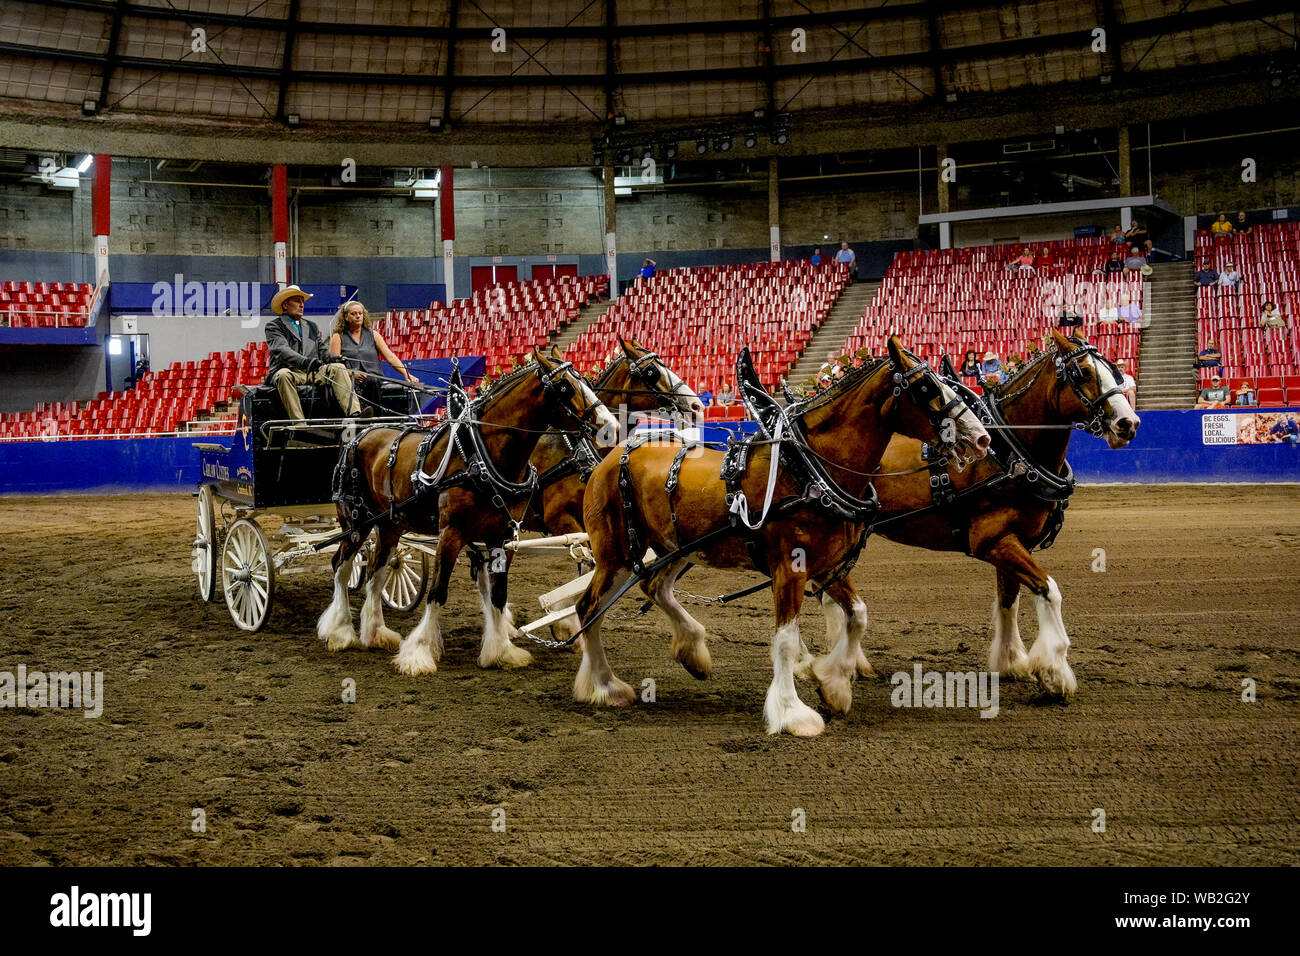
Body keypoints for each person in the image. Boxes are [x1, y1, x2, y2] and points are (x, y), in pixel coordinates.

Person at [265, 284, 363, 421]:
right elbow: (282, 350)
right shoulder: (274, 326)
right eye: (297, 301)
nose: (301, 305)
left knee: (339, 368)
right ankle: (299, 423)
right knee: (283, 375)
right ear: (286, 305)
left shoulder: (311, 326)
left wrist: (335, 358)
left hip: (311, 372)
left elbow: (322, 351)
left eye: (302, 302)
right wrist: (304, 361)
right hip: (290, 371)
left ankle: (355, 414)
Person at [328, 299, 416, 414]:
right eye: (353, 314)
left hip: (374, 378)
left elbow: (391, 357)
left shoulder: (374, 335)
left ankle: (373, 415)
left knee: (372, 381)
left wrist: (406, 374)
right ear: (346, 317)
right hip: (350, 379)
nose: (358, 316)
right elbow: (335, 366)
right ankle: (360, 415)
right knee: (353, 385)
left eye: (360, 313)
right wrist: (352, 373)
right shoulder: (338, 337)